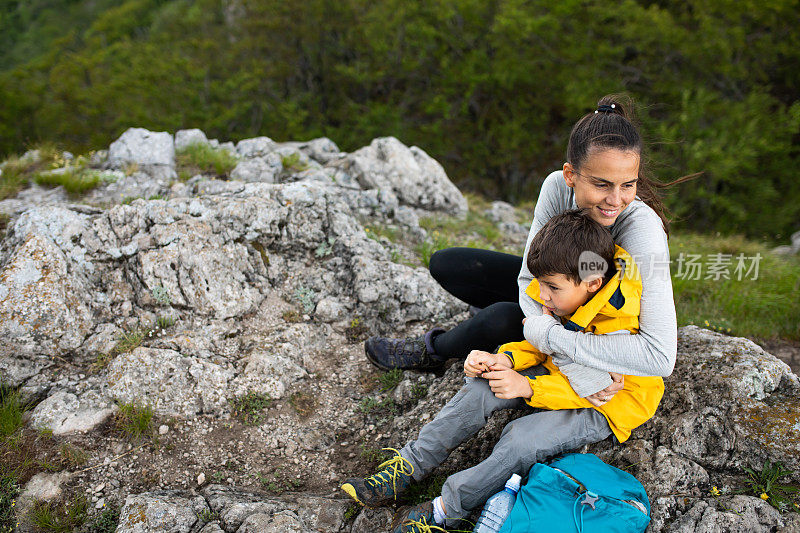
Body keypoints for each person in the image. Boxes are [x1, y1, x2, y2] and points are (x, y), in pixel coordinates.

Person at [341, 209, 664, 533]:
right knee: (483, 388)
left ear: (592, 283)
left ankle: (445, 510)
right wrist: (506, 359)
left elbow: (600, 390)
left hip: (607, 405)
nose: (541, 295)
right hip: (559, 374)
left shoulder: (621, 324)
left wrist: (527, 387)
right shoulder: (572, 291)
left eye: (551, 287)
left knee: (521, 440)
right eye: (540, 284)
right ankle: (409, 467)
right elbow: (546, 340)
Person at [365, 94, 689, 407]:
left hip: (602, 323)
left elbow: (661, 355)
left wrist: (556, 345)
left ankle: (434, 351)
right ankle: (506, 324)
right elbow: (528, 279)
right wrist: (550, 334)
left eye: (627, 185)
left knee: (500, 318)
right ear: (571, 175)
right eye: (602, 184)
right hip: (557, 294)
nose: (615, 200)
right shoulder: (555, 188)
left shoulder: (642, 230)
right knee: (449, 264)